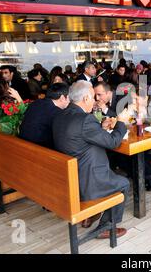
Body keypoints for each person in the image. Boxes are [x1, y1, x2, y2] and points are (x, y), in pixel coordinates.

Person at [53, 81, 130, 234]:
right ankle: (106, 228)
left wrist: (99, 128)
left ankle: (93, 214)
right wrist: (121, 122)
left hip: (70, 177)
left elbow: (79, 137)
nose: (95, 100)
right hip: (87, 180)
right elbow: (113, 142)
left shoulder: (61, 115)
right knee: (123, 183)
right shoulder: (85, 119)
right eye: (93, 97)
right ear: (86, 98)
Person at [19, 83, 70, 149]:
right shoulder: (57, 112)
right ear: (62, 98)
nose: (70, 101)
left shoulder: (36, 103)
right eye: (69, 98)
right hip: (39, 150)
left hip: (22, 144)